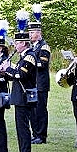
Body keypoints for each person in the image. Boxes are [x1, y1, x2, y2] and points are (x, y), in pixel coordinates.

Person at [1, 12, 37, 152]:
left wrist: (8, 69)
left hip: (24, 97)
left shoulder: (29, 57)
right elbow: (15, 75)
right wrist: (5, 72)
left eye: (17, 43)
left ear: (23, 43)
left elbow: (20, 75)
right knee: (20, 127)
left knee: (23, 128)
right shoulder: (22, 58)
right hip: (20, 96)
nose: (15, 45)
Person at [28, 15, 51, 144]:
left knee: (40, 110)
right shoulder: (33, 47)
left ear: (39, 33)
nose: (30, 35)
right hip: (32, 82)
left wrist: (30, 62)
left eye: (32, 32)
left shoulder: (44, 47)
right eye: (30, 32)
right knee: (32, 110)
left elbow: (42, 64)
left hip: (40, 83)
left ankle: (41, 135)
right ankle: (35, 133)